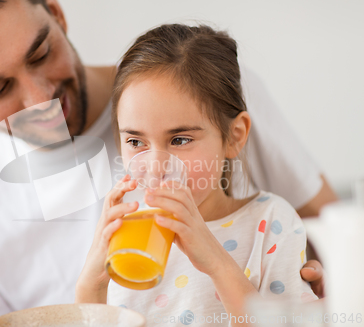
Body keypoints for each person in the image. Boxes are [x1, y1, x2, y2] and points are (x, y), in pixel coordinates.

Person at [0, 0, 334, 325]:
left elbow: (339, 236)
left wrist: (336, 289)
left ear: (56, 12)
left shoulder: (207, 94)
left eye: (40, 54)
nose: (40, 101)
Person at [75, 24, 318, 327]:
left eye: (179, 140)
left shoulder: (270, 223)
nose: (155, 166)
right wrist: (90, 288)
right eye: (136, 142)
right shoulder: (125, 240)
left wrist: (217, 263)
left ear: (234, 137)